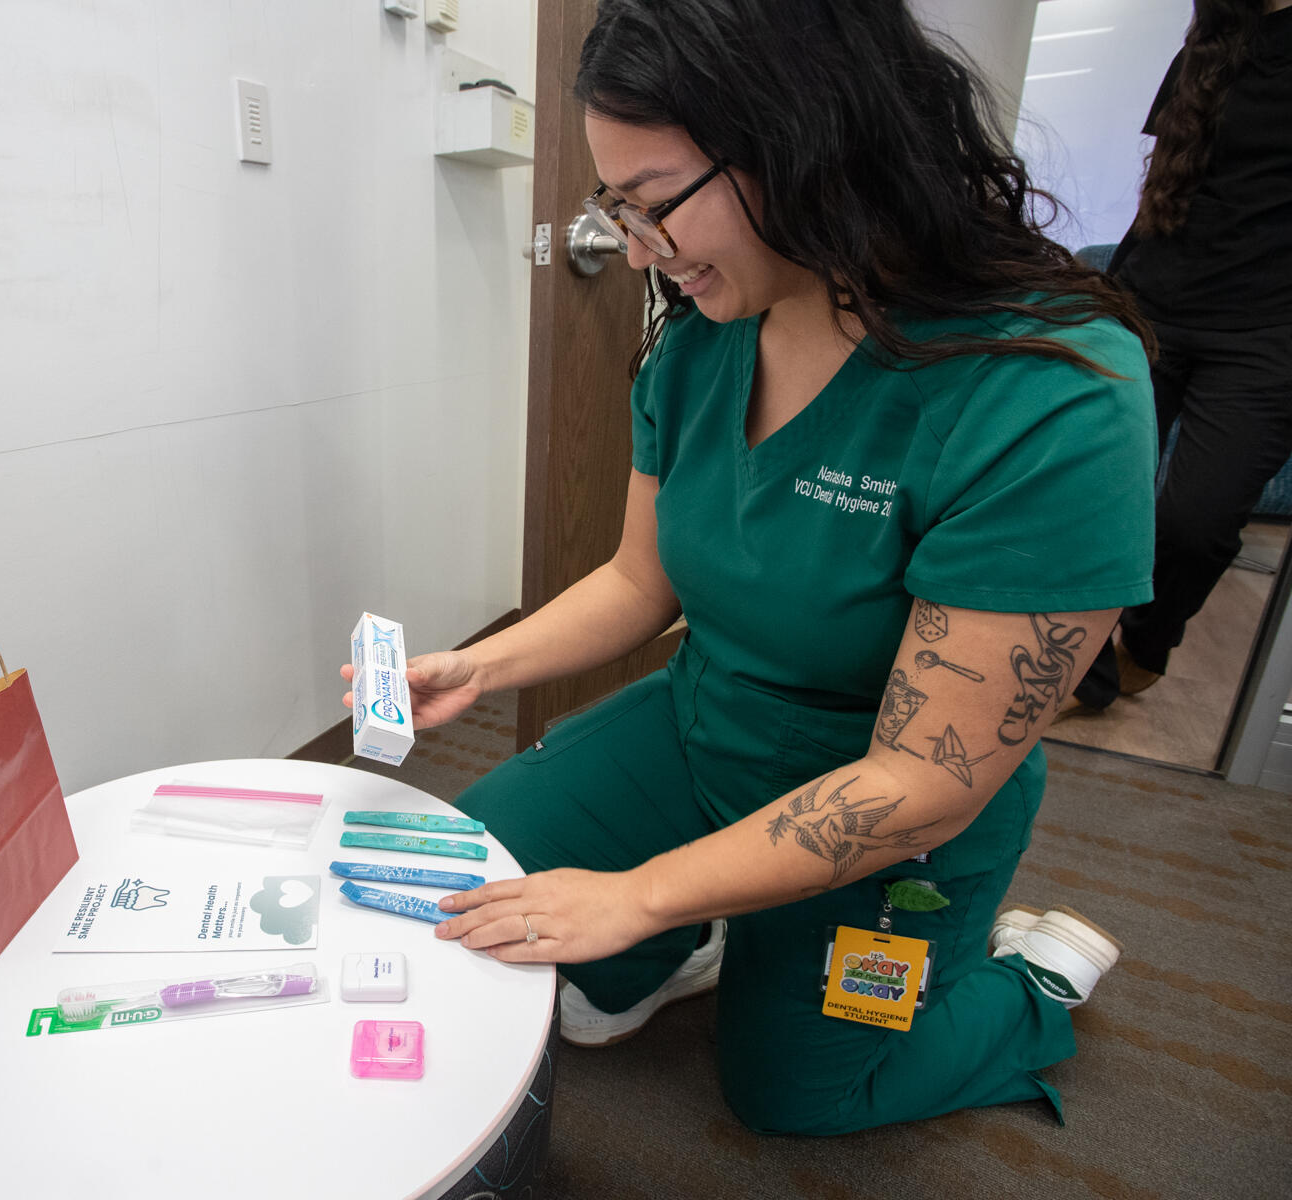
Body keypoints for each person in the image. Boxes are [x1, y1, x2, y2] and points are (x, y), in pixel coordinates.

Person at [340, 0, 1157, 1135]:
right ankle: (699, 934)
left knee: (796, 1095)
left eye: (655, 203)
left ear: (808, 136)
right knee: (455, 889)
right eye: (614, 209)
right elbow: (641, 582)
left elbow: (926, 776)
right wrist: (478, 667)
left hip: (894, 799)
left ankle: (1020, 986)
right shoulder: (703, 333)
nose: (634, 248)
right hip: (707, 723)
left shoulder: (1049, 389)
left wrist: (638, 894)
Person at [1070, 0, 1292, 714]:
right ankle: (1082, 667)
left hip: (1264, 335)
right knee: (1089, 497)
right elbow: (1164, 182)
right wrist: (1106, 299)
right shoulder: (1213, 40)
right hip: (1153, 304)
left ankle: (1148, 640)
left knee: (1194, 525)